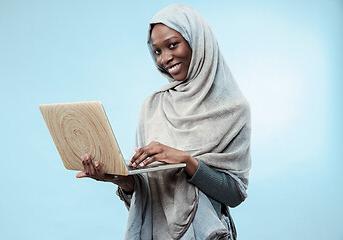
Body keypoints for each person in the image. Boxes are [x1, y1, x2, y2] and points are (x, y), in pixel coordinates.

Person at [76, 3, 251, 240]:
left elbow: (234, 195)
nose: (165, 58)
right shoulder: (152, 106)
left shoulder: (233, 108)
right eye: (157, 51)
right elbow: (146, 194)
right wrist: (119, 179)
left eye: (172, 45)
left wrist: (187, 161)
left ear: (197, 41)